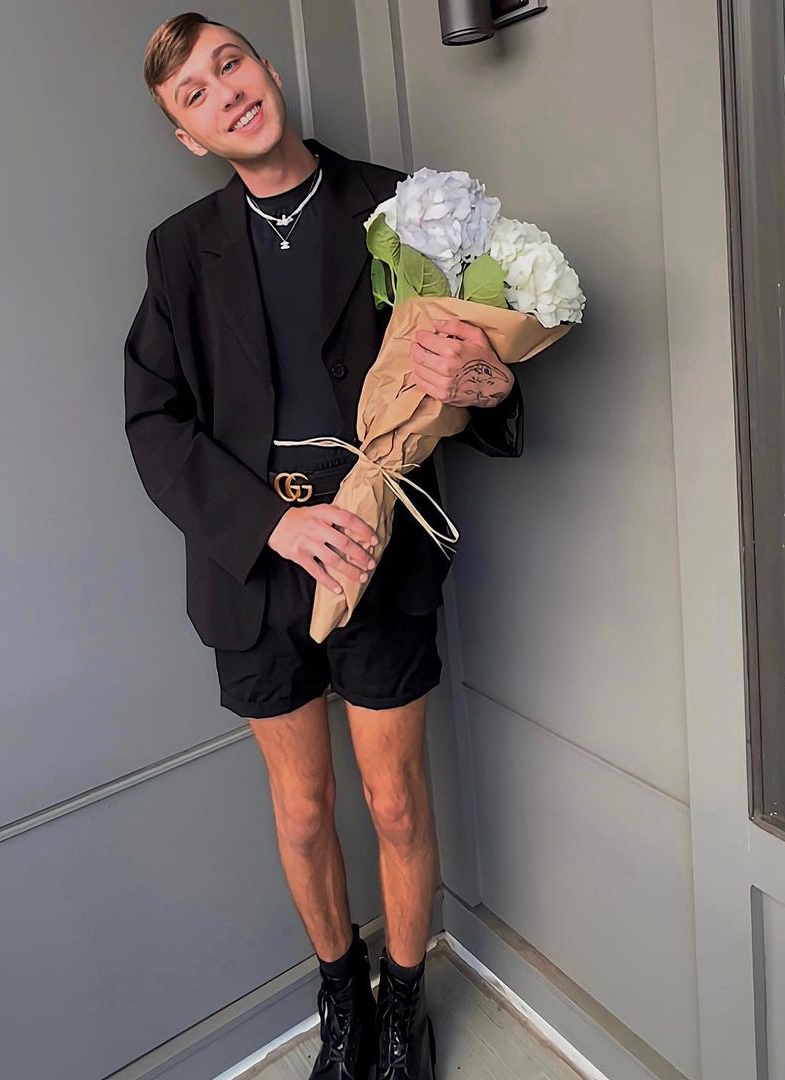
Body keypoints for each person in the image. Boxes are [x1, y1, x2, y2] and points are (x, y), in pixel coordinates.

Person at [124, 13, 523, 1080]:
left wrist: (493, 387)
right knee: (304, 815)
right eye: (196, 94)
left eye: (231, 64)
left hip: (382, 552)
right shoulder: (177, 251)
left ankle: (404, 1006)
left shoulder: (401, 205)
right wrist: (273, 522)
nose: (225, 92)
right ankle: (342, 997)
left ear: (266, 69)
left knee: (394, 801)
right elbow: (154, 422)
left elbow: (468, 372)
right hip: (253, 572)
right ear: (190, 136)